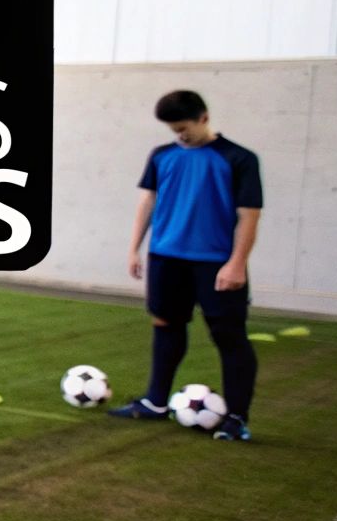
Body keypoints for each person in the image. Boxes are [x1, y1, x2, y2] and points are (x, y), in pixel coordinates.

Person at [110, 90, 262, 441]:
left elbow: (249, 217)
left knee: (229, 336)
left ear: (204, 118)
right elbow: (147, 201)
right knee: (165, 326)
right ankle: (155, 402)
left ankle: (236, 418)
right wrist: (134, 249)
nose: (180, 135)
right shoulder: (162, 156)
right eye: (173, 129)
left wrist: (237, 264)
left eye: (184, 127)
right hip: (166, 258)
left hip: (216, 264)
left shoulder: (238, 158)